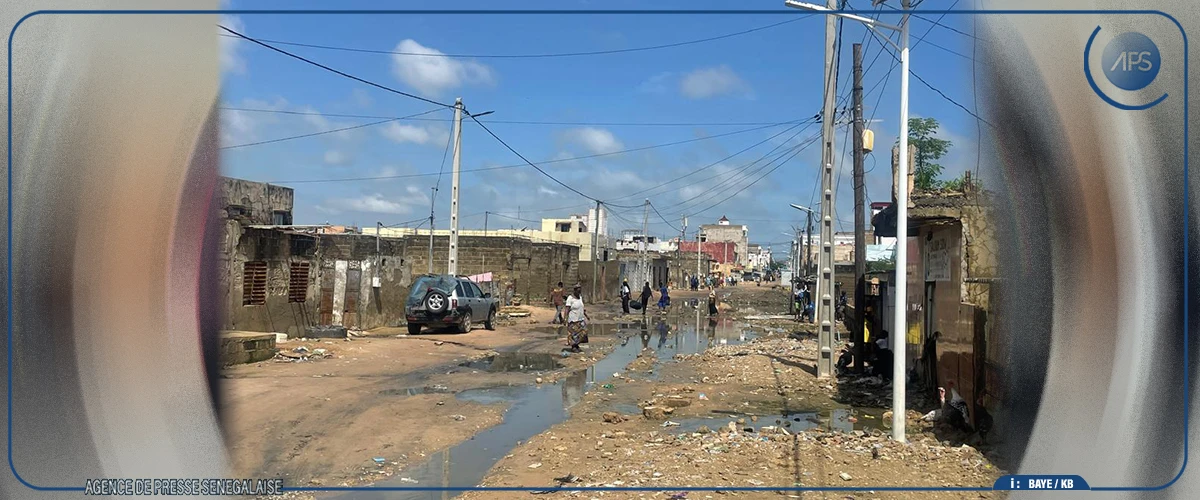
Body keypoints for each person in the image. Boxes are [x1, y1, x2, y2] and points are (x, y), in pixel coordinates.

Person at [563, 284, 589, 353]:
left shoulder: (580, 297)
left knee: (584, 332)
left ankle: (576, 345)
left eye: (580, 290)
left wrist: (586, 315)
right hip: (573, 319)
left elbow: (582, 308)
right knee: (574, 334)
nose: (579, 291)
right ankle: (574, 347)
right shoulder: (570, 298)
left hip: (580, 319)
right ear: (574, 290)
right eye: (578, 290)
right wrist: (565, 318)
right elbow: (567, 309)